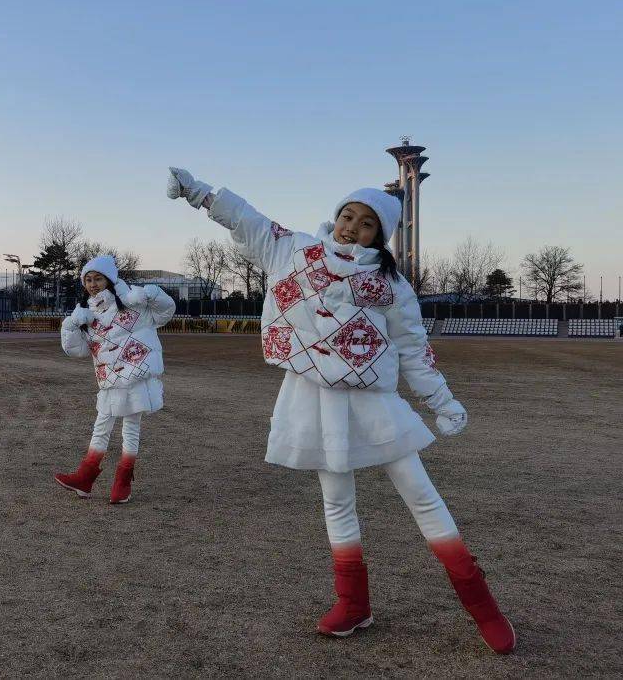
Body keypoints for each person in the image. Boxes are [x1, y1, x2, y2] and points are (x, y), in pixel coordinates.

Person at [166, 166, 515, 654]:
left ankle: (485, 610)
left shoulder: (391, 284)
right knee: (336, 503)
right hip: (312, 398)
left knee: (422, 497)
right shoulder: (296, 250)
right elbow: (247, 220)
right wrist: (199, 194)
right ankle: (353, 604)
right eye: (347, 214)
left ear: (382, 235)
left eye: (366, 222)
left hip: (373, 401)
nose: (352, 226)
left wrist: (442, 401)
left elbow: (414, 348)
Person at [55, 255, 176, 504]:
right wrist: (70, 326)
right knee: (101, 426)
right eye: (88, 280)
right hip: (109, 379)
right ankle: (85, 478)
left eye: (97, 278)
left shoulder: (133, 302)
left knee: (130, 428)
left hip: (136, 376)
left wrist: (151, 293)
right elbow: (77, 350)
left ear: (109, 279)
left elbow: (166, 312)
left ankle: (122, 482)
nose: (92, 284)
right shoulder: (88, 313)